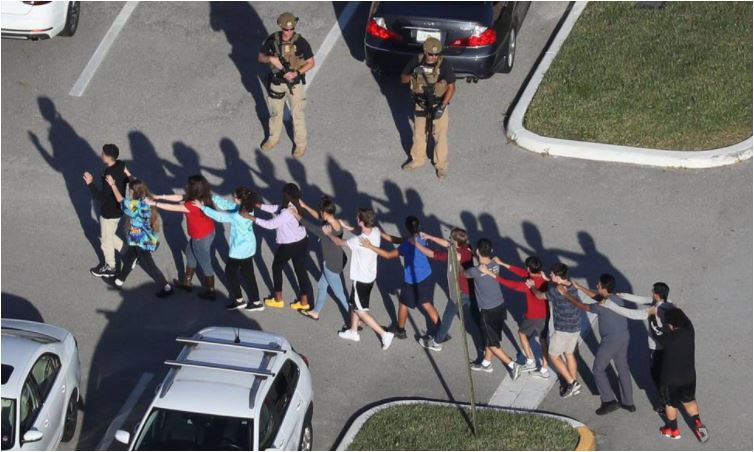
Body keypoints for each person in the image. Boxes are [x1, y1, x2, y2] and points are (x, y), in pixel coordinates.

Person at [559, 274, 637, 415]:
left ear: (603, 287)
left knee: (598, 369)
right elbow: (598, 296)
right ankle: (628, 402)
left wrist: (566, 295)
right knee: (623, 368)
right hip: (624, 336)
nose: (596, 286)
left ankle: (609, 401)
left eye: (598, 284)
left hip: (610, 341)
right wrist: (580, 287)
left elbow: (583, 306)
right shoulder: (616, 299)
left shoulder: (601, 306)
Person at [361, 216, 441, 343]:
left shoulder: (406, 245)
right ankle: (441, 331)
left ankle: (400, 330)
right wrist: (379, 233)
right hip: (426, 276)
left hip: (412, 281)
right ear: (418, 226)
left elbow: (388, 255)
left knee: (403, 303)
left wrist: (370, 246)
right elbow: (397, 240)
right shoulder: (422, 237)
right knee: (427, 304)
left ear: (407, 228)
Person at [410, 228, 483, 358]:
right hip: (471, 289)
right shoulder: (467, 247)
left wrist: (416, 244)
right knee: (476, 317)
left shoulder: (455, 255)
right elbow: (447, 244)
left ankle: (437, 342)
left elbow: (432, 254)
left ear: (456, 242)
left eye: (451, 238)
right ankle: (486, 342)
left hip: (459, 292)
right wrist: (429, 236)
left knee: (448, 317)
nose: (449, 240)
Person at [328, 208, 394, 350]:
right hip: (369, 276)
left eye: (358, 218)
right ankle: (353, 331)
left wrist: (329, 234)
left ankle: (384, 334)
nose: (356, 219)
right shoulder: (375, 231)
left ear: (362, 221)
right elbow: (360, 232)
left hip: (360, 279)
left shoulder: (358, 240)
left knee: (361, 310)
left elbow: (340, 243)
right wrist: (347, 227)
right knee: (355, 304)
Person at [478, 255, 551, 379]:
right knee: (543, 340)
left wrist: (489, 273)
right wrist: (502, 263)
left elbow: (509, 284)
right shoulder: (542, 277)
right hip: (545, 314)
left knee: (522, 334)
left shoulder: (528, 283)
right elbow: (520, 272)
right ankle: (544, 369)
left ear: (528, 268)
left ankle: (530, 361)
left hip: (533, 316)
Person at [193, 187, 264, 312]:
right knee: (249, 275)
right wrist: (213, 197)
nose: (233, 199)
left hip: (239, 251)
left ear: (240, 199)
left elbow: (219, 217)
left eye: (234, 197)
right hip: (249, 247)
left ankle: (239, 300)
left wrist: (202, 207)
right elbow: (228, 205)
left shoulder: (237, 215)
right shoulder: (248, 208)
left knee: (230, 273)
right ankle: (256, 301)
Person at [150, 175, 218, 300]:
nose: (186, 186)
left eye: (189, 185)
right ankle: (187, 283)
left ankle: (211, 291)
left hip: (200, 237)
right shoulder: (202, 196)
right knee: (190, 253)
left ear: (194, 188)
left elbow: (173, 207)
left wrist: (154, 203)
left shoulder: (192, 205)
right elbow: (180, 198)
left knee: (205, 263)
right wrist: (160, 196)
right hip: (207, 232)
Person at [258, 12, 315, 158]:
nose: (289, 32)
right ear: (280, 27)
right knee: (276, 112)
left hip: (294, 84)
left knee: (297, 114)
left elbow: (311, 63)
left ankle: (301, 144)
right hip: (277, 82)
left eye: (291, 29)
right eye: (286, 29)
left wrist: (296, 73)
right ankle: (273, 138)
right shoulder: (273, 40)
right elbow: (261, 57)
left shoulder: (301, 42)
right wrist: (271, 58)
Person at [105, 175, 172, 298]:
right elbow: (134, 185)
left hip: (140, 241)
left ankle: (166, 287)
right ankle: (119, 281)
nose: (128, 192)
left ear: (134, 192)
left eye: (130, 190)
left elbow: (121, 201)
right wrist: (129, 176)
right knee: (130, 258)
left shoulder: (135, 205)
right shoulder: (146, 199)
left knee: (150, 266)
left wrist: (113, 185)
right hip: (145, 237)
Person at [464, 239, 521, 380]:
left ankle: (512, 365)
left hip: (487, 310)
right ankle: (486, 363)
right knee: (491, 337)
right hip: (500, 306)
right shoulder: (496, 264)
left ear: (477, 251)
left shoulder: (475, 271)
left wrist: (465, 258)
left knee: (491, 342)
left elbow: (464, 273)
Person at [400, 37, 456, 179]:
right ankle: (417, 160)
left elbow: (451, 87)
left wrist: (442, 106)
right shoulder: (416, 60)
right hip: (421, 103)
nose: (433, 57)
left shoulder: (444, 65)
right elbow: (402, 78)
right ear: (425, 52)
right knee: (419, 133)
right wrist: (413, 74)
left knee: (440, 135)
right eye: (431, 54)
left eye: (436, 54)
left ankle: (441, 165)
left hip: (438, 103)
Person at [249, 183, 311, 311]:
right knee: (300, 270)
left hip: (290, 245)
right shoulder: (296, 204)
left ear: (286, 195)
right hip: (302, 240)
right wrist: (259, 206)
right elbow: (276, 208)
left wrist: (252, 218)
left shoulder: (286, 212)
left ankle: (278, 299)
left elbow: (271, 224)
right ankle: (304, 302)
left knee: (276, 267)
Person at [617, 282, 676, 413]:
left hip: (656, 348)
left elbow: (632, 314)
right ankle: (668, 398)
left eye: (653, 292)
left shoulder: (653, 310)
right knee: (665, 374)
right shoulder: (669, 304)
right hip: (668, 347)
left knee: (657, 376)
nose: (651, 294)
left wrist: (611, 306)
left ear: (657, 295)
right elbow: (642, 299)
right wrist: (623, 295)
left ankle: (664, 403)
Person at [654, 308, 709, 442]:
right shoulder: (690, 330)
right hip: (688, 376)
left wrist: (651, 317)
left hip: (670, 379)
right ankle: (697, 422)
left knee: (670, 404)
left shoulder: (667, 338)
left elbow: (655, 332)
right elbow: (684, 319)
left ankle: (673, 430)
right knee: (689, 400)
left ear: (671, 324)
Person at [528, 263, 582, 397]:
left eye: (552, 274)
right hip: (575, 326)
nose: (550, 275)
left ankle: (572, 383)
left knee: (553, 355)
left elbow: (540, 295)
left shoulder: (556, 291)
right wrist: (549, 279)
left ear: (557, 276)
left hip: (563, 329)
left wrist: (532, 286)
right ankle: (572, 382)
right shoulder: (572, 285)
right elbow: (555, 286)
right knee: (569, 354)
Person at [296, 196, 349, 324]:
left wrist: (296, 216)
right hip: (338, 259)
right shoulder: (335, 222)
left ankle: (355, 319)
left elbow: (311, 227)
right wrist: (305, 207)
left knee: (340, 294)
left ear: (326, 213)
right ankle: (315, 312)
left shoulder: (326, 230)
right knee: (322, 285)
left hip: (331, 264)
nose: (320, 214)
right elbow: (318, 217)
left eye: (321, 212)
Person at [83, 143, 130, 278]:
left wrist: (90, 183)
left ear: (109, 157)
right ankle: (129, 254)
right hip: (119, 208)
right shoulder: (121, 164)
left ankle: (111, 267)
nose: (101, 155)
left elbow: (101, 197)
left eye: (103, 153)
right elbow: (128, 177)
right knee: (109, 235)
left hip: (109, 212)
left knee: (105, 240)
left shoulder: (109, 174)